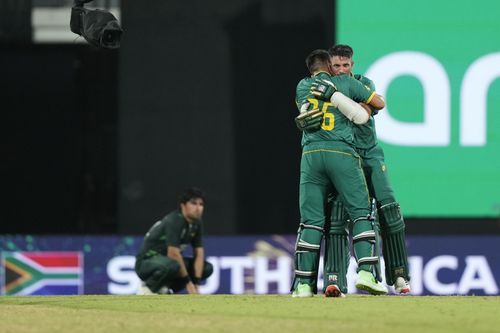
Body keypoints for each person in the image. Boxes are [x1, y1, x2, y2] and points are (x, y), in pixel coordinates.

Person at [297, 45, 411, 295]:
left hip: (368, 153)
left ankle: (399, 276)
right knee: (338, 218)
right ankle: (335, 280)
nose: (340, 70)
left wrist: (347, 103)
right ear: (329, 66)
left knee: (388, 211)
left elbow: (374, 107)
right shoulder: (334, 85)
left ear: (352, 65)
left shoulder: (360, 82)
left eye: (345, 65)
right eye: (336, 66)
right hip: (346, 155)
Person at [135, 187, 213, 295]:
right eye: (193, 203)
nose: (198, 208)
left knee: (207, 268)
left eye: (201, 204)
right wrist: (188, 284)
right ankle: (147, 288)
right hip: (146, 263)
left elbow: (199, 253)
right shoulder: (175, 220)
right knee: (173, 264)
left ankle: (167, 291)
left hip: (167, 262)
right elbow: (173, 254)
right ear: (183, 205)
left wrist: (196, 283)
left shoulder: (197, 223)